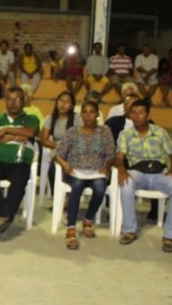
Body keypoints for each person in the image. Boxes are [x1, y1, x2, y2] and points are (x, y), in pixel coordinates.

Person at [115, 99, 172, 253]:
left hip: (159, 173)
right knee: (126, 184)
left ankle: (169, 235)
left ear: (148, 115)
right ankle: (129, 230)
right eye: (134, 113)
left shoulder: (160, 132)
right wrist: (121, 168)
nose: (137, 116)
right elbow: (119, 156)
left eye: (141, 113)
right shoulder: (125, 135)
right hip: (138, 172)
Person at [54, 100, 115, 250]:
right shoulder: (73, 131)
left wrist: (106, 166)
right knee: (77, 187)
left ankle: (88, 219)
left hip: (97, 172)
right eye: (85, 112)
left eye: (92, 112)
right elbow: (57, 154)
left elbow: (111, 153)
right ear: (81, 115)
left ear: (97, 115)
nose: (88, 115)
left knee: (100, 188)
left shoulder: (104, 131)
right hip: (75, 171)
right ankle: (71, 228)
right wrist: (65, 165)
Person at [0, 87, 40, 239]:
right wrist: (10, 137)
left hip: (19, 161)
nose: (13, 103)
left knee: (20, 178)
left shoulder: (31, 119)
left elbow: (30, 132)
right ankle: (2, 219)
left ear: (24, 101)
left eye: (17, 99)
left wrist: (5, 130)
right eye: (9, 99)